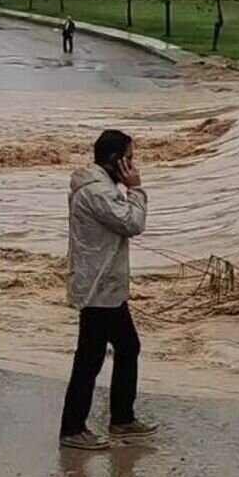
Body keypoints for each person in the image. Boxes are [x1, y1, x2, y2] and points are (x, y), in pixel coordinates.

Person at [59, 130, 158, 451]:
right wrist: (137, 190)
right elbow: (132, 223)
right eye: (130, 158)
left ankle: (122, 418)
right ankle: (73, 429)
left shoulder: (97, 187)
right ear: (116, 161)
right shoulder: (98, 193)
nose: (132, 164)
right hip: (98, 287)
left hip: (106, 285)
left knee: (128, 347)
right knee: (90, 359)